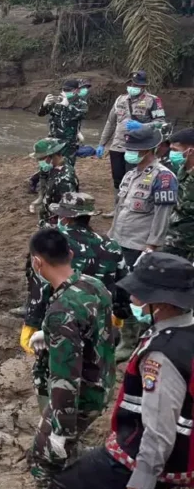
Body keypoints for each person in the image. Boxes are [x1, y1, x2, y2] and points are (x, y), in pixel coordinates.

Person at [48, 253, 194, 489]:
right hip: (176, 454)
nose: (137, 303)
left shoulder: (163, 356)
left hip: (144, 454)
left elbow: (159, 433)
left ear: (160, 302)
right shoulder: (182, 334)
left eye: (143, 297)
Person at [15, 229, 116, 489]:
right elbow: (107, 335)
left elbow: (64, 379)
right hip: (101, 386)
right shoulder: (94, 286)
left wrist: (59, 428)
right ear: (70, 255)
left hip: (77, 398)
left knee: (44, 461)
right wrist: (55, 335)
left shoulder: (61, 309)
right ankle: (88, 487)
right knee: (66, 451)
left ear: (36, 262)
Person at [21, 192, 130, 359]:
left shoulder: (53, 244)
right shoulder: (111, 245)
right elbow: (123, 284)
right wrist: (120, 313)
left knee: (60, 367)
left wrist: (31, 323)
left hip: (61, 319)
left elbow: (39, 285)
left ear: (65, 218)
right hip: (99, 319)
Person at [109, 125, 178, 266]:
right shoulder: (130, 175)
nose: (129, 152)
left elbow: (162, 216)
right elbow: (120, 209)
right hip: (118, 241)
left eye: (133, 149)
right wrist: (111, 236)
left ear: (147, 150)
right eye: (128, 148)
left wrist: (152, 246)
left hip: (138, 246)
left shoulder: (163, 177)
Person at [98, 70, 166, 194]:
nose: (132, 87)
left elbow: (161, 123)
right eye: (130, 84)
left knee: (134, 177)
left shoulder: (153, 101)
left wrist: (142, 126)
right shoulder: (120, 99)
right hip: (118, 146)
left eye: (135, 85)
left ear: (143, 86)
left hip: (138, 147)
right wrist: (102, 144)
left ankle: (130, 205)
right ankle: (117, 207)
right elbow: (110, 122)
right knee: (117, 179)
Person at [32, 137, 79, 226]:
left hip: (56, 225)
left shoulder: (65, 179)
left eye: (41, 158)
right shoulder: (52, 168)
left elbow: (68, 211)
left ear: (51, 155)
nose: (38, 161)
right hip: (48, 217)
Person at [163, 127, 194, 260]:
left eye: (175, 150)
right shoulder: (180, 170)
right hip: (173, 240)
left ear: (190, 151)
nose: (171, 154)